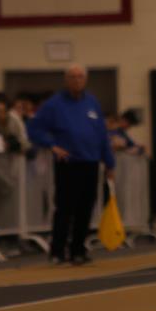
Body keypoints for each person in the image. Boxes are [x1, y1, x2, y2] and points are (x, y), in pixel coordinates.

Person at [28, 65, 115, 265]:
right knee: (65, 208)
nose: (77, 80)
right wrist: (52, 145)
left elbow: (102, 134)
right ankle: (57, 251)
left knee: (86, 207)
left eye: (80, 77)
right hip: (68, 163)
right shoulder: (54, 104)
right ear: (66, 80)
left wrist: (109, 162)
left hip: (90, 162)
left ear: (85, 80)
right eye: (73, 77)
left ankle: (78, 249)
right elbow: (34, 129)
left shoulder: (92, 102)